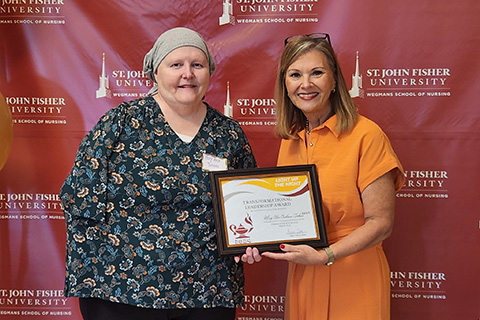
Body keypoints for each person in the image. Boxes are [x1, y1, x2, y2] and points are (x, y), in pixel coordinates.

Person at [59, 27, 256, 320]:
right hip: (121, 292)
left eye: (197, 65)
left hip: (207, 291)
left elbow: (248, 202)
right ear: (155, 72)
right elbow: (79, 195)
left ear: (209, 72)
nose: (187, 73)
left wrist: (251, 240)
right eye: (176, 65)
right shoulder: (120, 124)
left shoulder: (227, 134)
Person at [242, 33, 405, 319]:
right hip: (305, 272)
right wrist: (252, 240)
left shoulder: (366, 135)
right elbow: (283, 215)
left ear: (333, 82)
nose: (306, 84)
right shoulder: (291, 140)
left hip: (355, 273)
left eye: (317, 72)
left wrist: (326, 256)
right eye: (295, 74)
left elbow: (381, 223)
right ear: (285, 85)